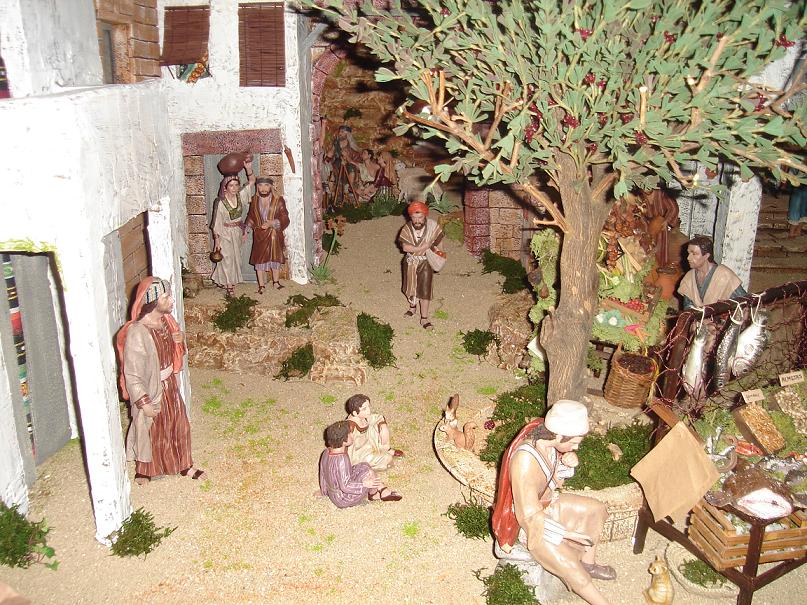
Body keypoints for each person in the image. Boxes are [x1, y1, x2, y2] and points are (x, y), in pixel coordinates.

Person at [492, 400, 614, 605]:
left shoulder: (547, 445)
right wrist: (566, 534)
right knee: (570, 566)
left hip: (548, 505)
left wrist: (567, 463)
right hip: (531, 525)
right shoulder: (525, 461)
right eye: (573, 443)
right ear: (558, 435)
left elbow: (553, 480)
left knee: (596, 509)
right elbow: (528, 516)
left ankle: (588, 563)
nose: (576, 447)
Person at [116, 277, 206, 485]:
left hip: (169, 384)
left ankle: (184, 464)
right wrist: (143, 401)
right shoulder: (138, 332)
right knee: (151, 429)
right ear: (152, 301)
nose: (171, 300)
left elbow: (174, 353)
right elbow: (132, 373)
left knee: (178, 424)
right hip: (152, 388)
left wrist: (178, 341)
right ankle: (145, 469)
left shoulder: (167, 323)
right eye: (165, 297)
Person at [319, 420, 402, 508]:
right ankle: (377, 492)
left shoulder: (326, 452)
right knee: (368, 473)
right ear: (344, 440)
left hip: (333, 493)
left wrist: (324, 491)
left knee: (364, 466)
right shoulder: (342, 460)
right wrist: (364, 484)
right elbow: (345, 486)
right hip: (344, 498)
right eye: (350, 434)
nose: (352, 435)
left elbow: (322, 474)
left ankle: (377, 491)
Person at [210, 157, 256, 296]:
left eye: (236, 185)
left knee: (236, 258)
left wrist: (248, 168)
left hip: (237, 232)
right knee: (227, 259)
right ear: (225, 187)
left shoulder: (241, 196)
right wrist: (217, 240)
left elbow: (252, 181)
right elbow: (217, 222)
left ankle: (225, 280)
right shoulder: (220, 202)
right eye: (231, 185)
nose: (234, 188)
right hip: (225, 232)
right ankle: (229, 285)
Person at [397, 200, 444, 329]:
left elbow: (439, 241)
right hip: (410, 263)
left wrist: (439, 254)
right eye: (414, 217)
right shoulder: (407, 229)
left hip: (425, 263)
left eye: (420, 217)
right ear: (410, 217)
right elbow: (405, 247)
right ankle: (412, 307)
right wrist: (422, 247)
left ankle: (424, 318)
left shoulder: (432, 227)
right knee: (410, 287)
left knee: (425, 290)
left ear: (425, 216)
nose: (417, 220)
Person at [244, 176, 289, 292]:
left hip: (274, 235)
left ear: (271, 187)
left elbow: (285, 217)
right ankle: (261, 285)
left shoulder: (278, 200)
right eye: (260, 185)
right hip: (259, 235)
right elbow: (251, 216)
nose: (263, 188)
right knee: (259, 260)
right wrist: (246, 229)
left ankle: (276, 282)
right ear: (257, 187)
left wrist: (273, 223)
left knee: (275, 258)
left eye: (266, 185)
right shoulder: (254, 200)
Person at [677, 235, 746, 309]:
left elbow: (744, 302)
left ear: (706, 256)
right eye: (688, 253)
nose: (688, 258)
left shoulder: (724, 275)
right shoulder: (689, 278)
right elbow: (687, 306)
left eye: (694, 254)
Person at [345, 394, 404, 471]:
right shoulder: (351, 428)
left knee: (377, 427)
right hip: (360, 453)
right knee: (387, 458)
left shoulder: (363, 417)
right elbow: (349, 450)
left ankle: (386, 449)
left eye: (368, 407)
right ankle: (365, 467)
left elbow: (376, 418)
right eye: (364, 409)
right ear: (355, 413)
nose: (368, 411)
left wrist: (383, 426)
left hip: (369, 443)